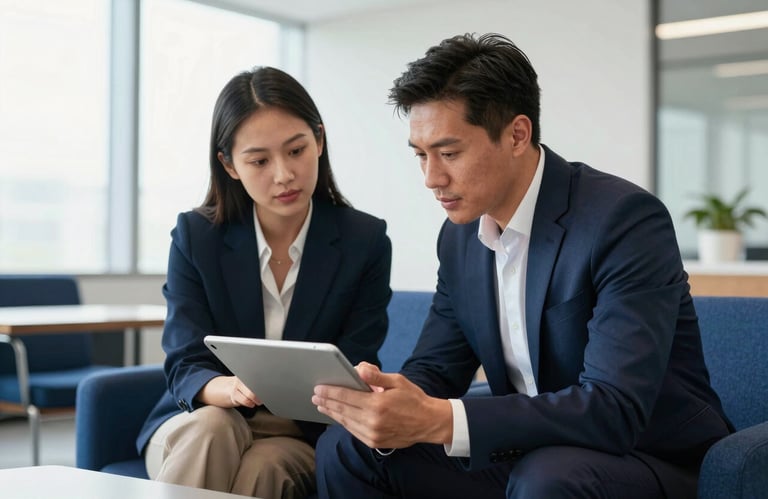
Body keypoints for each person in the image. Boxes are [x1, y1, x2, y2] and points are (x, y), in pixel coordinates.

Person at [311, 33, 732, 498]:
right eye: (421, 155)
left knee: (548, 478)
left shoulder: (624, 220)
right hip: (529, 455)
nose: (431, 178)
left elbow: (615, 408)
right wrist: (387, 399)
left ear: (517, 134)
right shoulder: (459, 238)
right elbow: (436, 368)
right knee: (349, 448)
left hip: (646, 457)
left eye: (449, 153)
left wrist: (441, 418)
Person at [137, 66, 392, 499]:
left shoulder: (363, 240)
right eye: (259, 160)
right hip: (201, 418)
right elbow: (184, 360)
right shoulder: (197, 237)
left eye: (296, 151)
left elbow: (357, 357)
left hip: (300, 431)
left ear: (320, 140)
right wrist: (231, 390)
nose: (284, 174)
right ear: (229, 165)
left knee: (266, 465)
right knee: (215, 428)